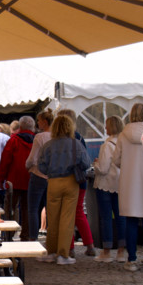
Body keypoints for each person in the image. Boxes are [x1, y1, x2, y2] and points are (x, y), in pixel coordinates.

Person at [37, 114, 90, 265]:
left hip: (53, 182)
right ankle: (63, 254)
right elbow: (86, 163)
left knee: (52, 219)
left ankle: (51, 251)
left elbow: (41, 166)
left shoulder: (48, 145)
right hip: (71, 182)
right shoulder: (75, 144)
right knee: (67, 219)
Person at [116, 104, 143, 271]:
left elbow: (116, 160)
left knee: (131, 221)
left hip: (129, 181)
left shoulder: (123, 134)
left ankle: (132, 259)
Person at [56, 109, 95, 256]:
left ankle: (70, 247)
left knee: (67, 213)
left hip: (66, 180)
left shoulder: (58, 141)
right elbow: (86, 161)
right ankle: (89, 245)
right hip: (80, 180)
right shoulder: (79, 138)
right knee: (78, 212)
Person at [92, 116, 125, 263]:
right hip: (120, 183)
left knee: (106, 218)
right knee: (120, 217)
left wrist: (96, 165)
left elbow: (103, 169)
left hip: (105, 184)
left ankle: (106, 250)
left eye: (106, 126)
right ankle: (122, 250)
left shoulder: (107, 145)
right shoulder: (124, 143)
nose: (105, 128)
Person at [0, 115, 35, 240]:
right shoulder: (36, 140)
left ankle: (9, 233)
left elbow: (5, 160)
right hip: (31, 179)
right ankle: (26, 235)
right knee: (27, 209)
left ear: (21, 126)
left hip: (13, 180)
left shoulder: (13, 140)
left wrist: (2, 179)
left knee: (10, 208)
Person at [25, 109, 54, 241]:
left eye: (39, 120)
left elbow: (32, 159)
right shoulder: (57, 136)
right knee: (51, 209)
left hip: (38, 174)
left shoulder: (40, 137)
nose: (37, 123)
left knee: (33, 208)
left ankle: (33, 239)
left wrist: (27, 165)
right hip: (53, 176)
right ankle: (52, 238)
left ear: (44, 122)